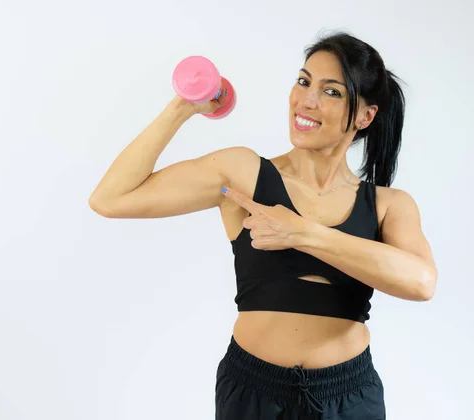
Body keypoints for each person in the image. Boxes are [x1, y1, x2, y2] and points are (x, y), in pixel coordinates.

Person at [89, 31, 437, 419]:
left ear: (365, 115)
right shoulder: (242, 173)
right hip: (254, 391)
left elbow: (421, 282)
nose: (306, 100)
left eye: (331, 91)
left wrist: (303, 233)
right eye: (304, 81)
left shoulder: (389, 205)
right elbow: (110, 199)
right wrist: (183, 107)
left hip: (349, 397)